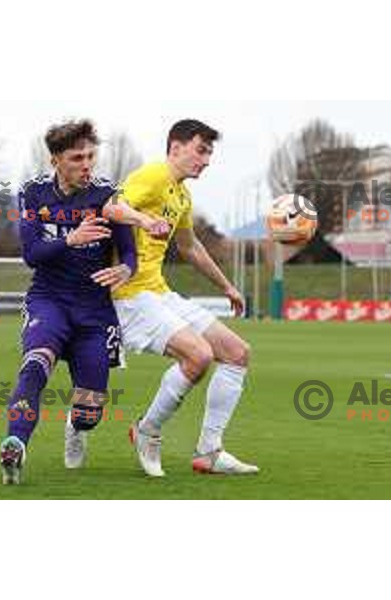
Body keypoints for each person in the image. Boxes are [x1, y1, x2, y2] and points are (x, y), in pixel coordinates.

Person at [0, 119, 167, 485]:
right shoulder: (33, 193)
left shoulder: (106, 193)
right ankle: (15, 444)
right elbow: (32, 254)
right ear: (56, 160)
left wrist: (125, 269)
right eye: (77, 157)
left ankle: (75, 427)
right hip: (49, 300)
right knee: (34, 366)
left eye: (91, 156)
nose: (87, 164)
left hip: (95, 310)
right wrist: (70, 239)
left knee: (90, 412)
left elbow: (128, 252)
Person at [113, 119, 258, 477]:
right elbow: (112, 210)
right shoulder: (152, 176)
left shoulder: (181, 194)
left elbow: (189, 247)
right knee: (199, 356)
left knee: (237, 353)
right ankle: (147, 430)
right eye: (201, 150)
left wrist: (226, 286)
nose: (206, 160)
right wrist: (141, 223)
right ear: (175, 147)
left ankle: (210, 451)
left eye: (209, 152)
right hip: (128, 294)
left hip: (159, 292)